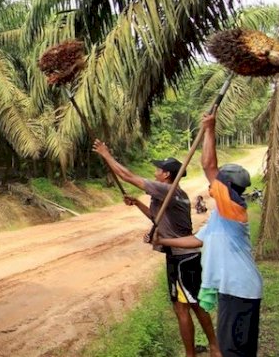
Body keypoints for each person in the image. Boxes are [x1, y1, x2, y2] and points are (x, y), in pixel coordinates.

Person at [92, 140, 221, 357]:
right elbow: (157, 219)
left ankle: (195, 353)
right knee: (195, 304)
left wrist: (106, 154)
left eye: (158, 169)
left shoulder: (166, 190)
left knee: (184, 308)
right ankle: (213, 346)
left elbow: (127, 177)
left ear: (167, 175)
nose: (155, 172)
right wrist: (138, 203)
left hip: (182, 259)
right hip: (183, 257)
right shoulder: (172, 193)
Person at [156, 113, 262, 357]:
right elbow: (196, 240)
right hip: (233, 290)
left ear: (225, 187)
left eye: (218, 182)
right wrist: (163, 241)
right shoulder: (219, 216)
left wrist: (209, 129)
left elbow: (208, 166)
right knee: (233, 349)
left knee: (233, 351)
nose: (211, 185)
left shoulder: (232, 209)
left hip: (240, 290)